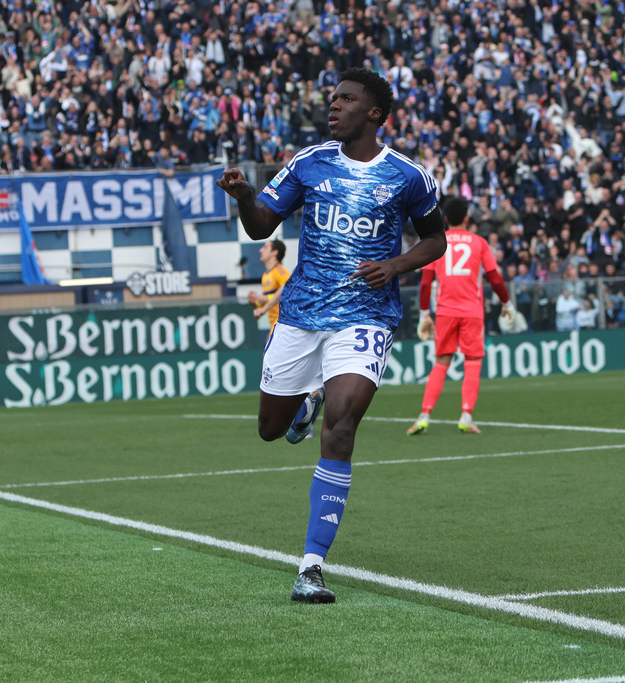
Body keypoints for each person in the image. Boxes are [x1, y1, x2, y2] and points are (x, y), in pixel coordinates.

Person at [216, 68, 447, 604]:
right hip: (299, 315)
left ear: (375, 113)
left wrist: (395, 264)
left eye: (347, 99)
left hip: (366, 317)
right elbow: (260, 226)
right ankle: (303, 403)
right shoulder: (309, 162)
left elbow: (436, 238)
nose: (333, 106)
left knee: (342, 427)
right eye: (333, 98)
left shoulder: (408, 176)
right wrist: (245, 196)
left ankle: (311, 567)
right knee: (270, 430)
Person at [407, 196, 514, 436]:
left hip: (445, 311)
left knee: (441, 363)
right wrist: (507, 303)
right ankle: (466, 415)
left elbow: (425, 283)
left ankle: (424, 415)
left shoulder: (436, 243)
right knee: (473, 362)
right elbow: (495, 278)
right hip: (472, 312)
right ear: (467, 218)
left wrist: (425, 313)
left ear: (445, 218)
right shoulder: (479, 243)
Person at [248, 239, 290, 338]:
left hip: (284, 324)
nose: (261, 250)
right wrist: (256, 302)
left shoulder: (280, 271)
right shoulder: (265, 275)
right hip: (274, 325)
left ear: (274, 252)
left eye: (265, 247)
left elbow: (288, 291)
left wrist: (266, 301)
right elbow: (272, 299)